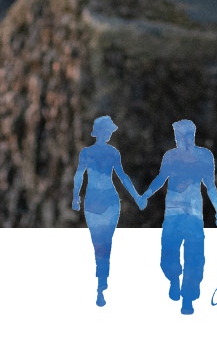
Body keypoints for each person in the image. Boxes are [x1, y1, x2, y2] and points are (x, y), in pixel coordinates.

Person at [139, 120, 217, 314]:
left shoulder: (204, 157)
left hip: (193, 215)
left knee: (194, 257)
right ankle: (174, 279)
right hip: (173, 214)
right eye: (176, 136)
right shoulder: (170, 157)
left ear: (191, 135)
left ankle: (188, 299)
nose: (179, 140)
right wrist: (146, 194)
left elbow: (210, 185)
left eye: (182, 136)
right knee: (168, 255)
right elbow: (161, 178)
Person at [70, 116, 146, 306]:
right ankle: (101, 282)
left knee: (103, 243)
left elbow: (122, 177)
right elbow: (79, 175)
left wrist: (137, 197)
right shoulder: (91, 153)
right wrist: (75, 197)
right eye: (108, 131)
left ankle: (102, 284)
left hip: (104, 200)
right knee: (100, 243)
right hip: (99, 201)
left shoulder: (109, 153)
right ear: (101, 132)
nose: (110, 134)